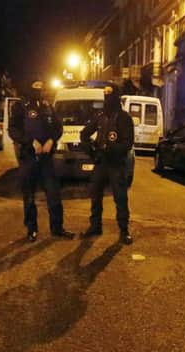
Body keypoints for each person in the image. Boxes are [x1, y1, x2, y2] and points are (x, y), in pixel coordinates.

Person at [8, 80, 74, 242]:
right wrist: (30, 141)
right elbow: (13, 130)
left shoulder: (47, 106)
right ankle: (32, 230)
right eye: (35, 86)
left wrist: (51, 139)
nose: (39, 90)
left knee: (54, 194)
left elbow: (58, 127)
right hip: (28, 158)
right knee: (29, 197)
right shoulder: (20, 107)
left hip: (46, 159)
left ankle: (57, 228)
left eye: (41, 87)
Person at [80, 83, 134, 245]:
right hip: (101, 162)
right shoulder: (100, 116)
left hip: (116, 164)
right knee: (95, 194)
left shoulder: (124, 118)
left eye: (109, 93)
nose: (106, 96)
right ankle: (95, 226)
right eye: (105, 93)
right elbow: (84, 134)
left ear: (116, 95)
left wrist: (111, 148)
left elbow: (127, 143)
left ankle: (124, 230)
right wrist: (92, 151)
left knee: (120, 198)